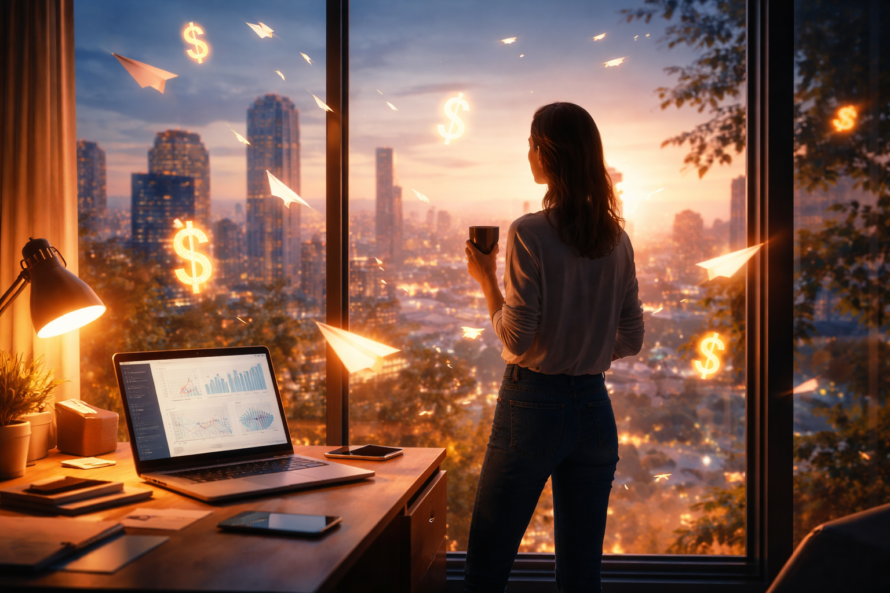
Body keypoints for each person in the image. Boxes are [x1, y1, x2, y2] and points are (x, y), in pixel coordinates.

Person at [463, 102, 644, 593]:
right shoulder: (618, 239)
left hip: (533, 405)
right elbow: (631, 338)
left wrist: (485, 280)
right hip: (594, 409)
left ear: (548, 153)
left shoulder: (529, 233)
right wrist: (584, 337)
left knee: (486, 564)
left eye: (531, 143)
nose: (527, 153)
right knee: (582, 575)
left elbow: (516, 338)